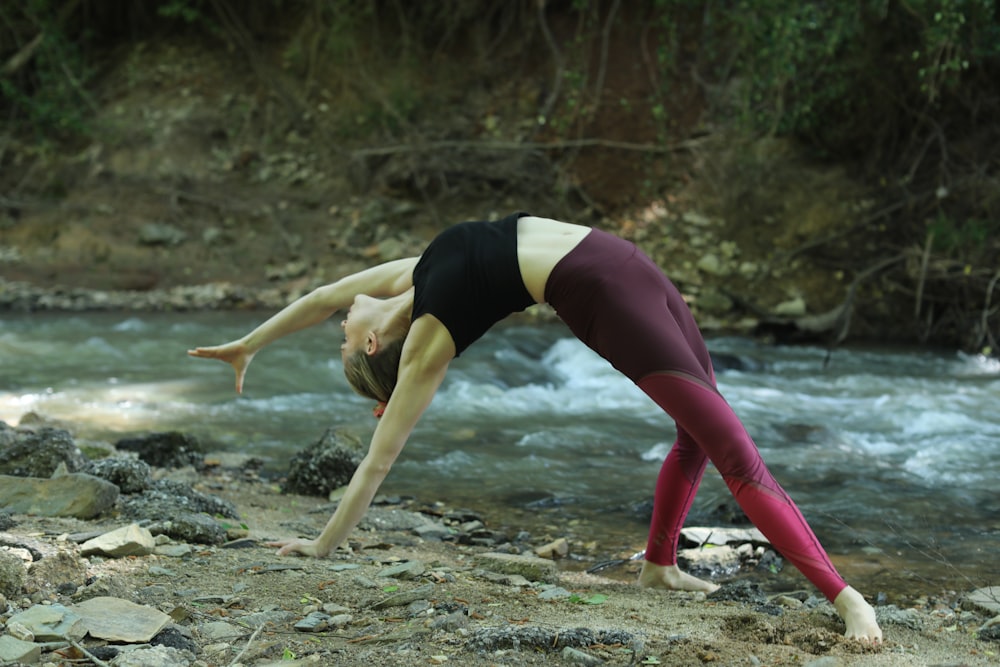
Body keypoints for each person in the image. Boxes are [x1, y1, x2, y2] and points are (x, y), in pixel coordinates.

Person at [188, 212, 882, 643]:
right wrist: (319, 546)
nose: (340, 324)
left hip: (631, 263)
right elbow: (376, 462)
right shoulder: (430, 331)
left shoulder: (413, 276)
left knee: (696, 434)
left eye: (338, 336)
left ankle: (660, 568)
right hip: (606, 296)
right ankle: (847, 600)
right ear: (374, 347)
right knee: (736, 451)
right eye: (344, 339)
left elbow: (316, 298)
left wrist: (248, 344)